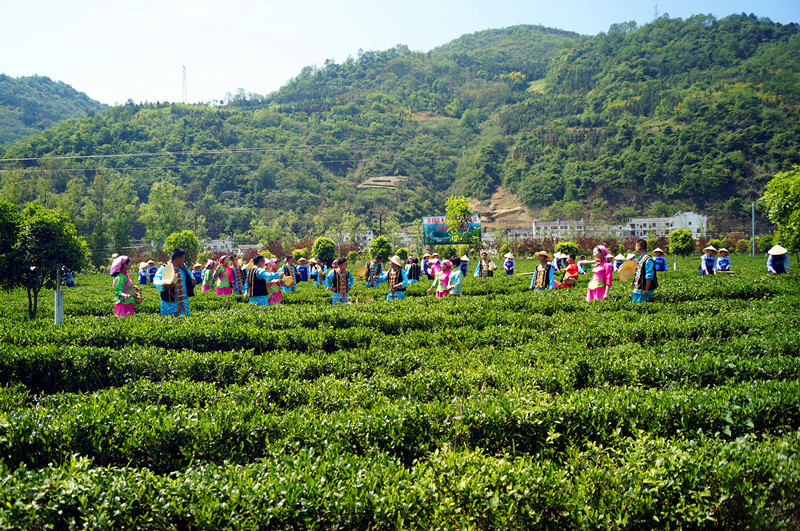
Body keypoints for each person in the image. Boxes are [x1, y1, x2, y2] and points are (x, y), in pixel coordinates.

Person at [154, 248, 195, 316]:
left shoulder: (184, 267)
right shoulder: (164, 268)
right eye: (183, 258)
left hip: (183, 304)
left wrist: (192, 280)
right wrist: (164, 285)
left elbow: (190, 275)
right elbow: (156, 280)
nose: (184, 260)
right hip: (169, 305)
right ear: (178, 259)